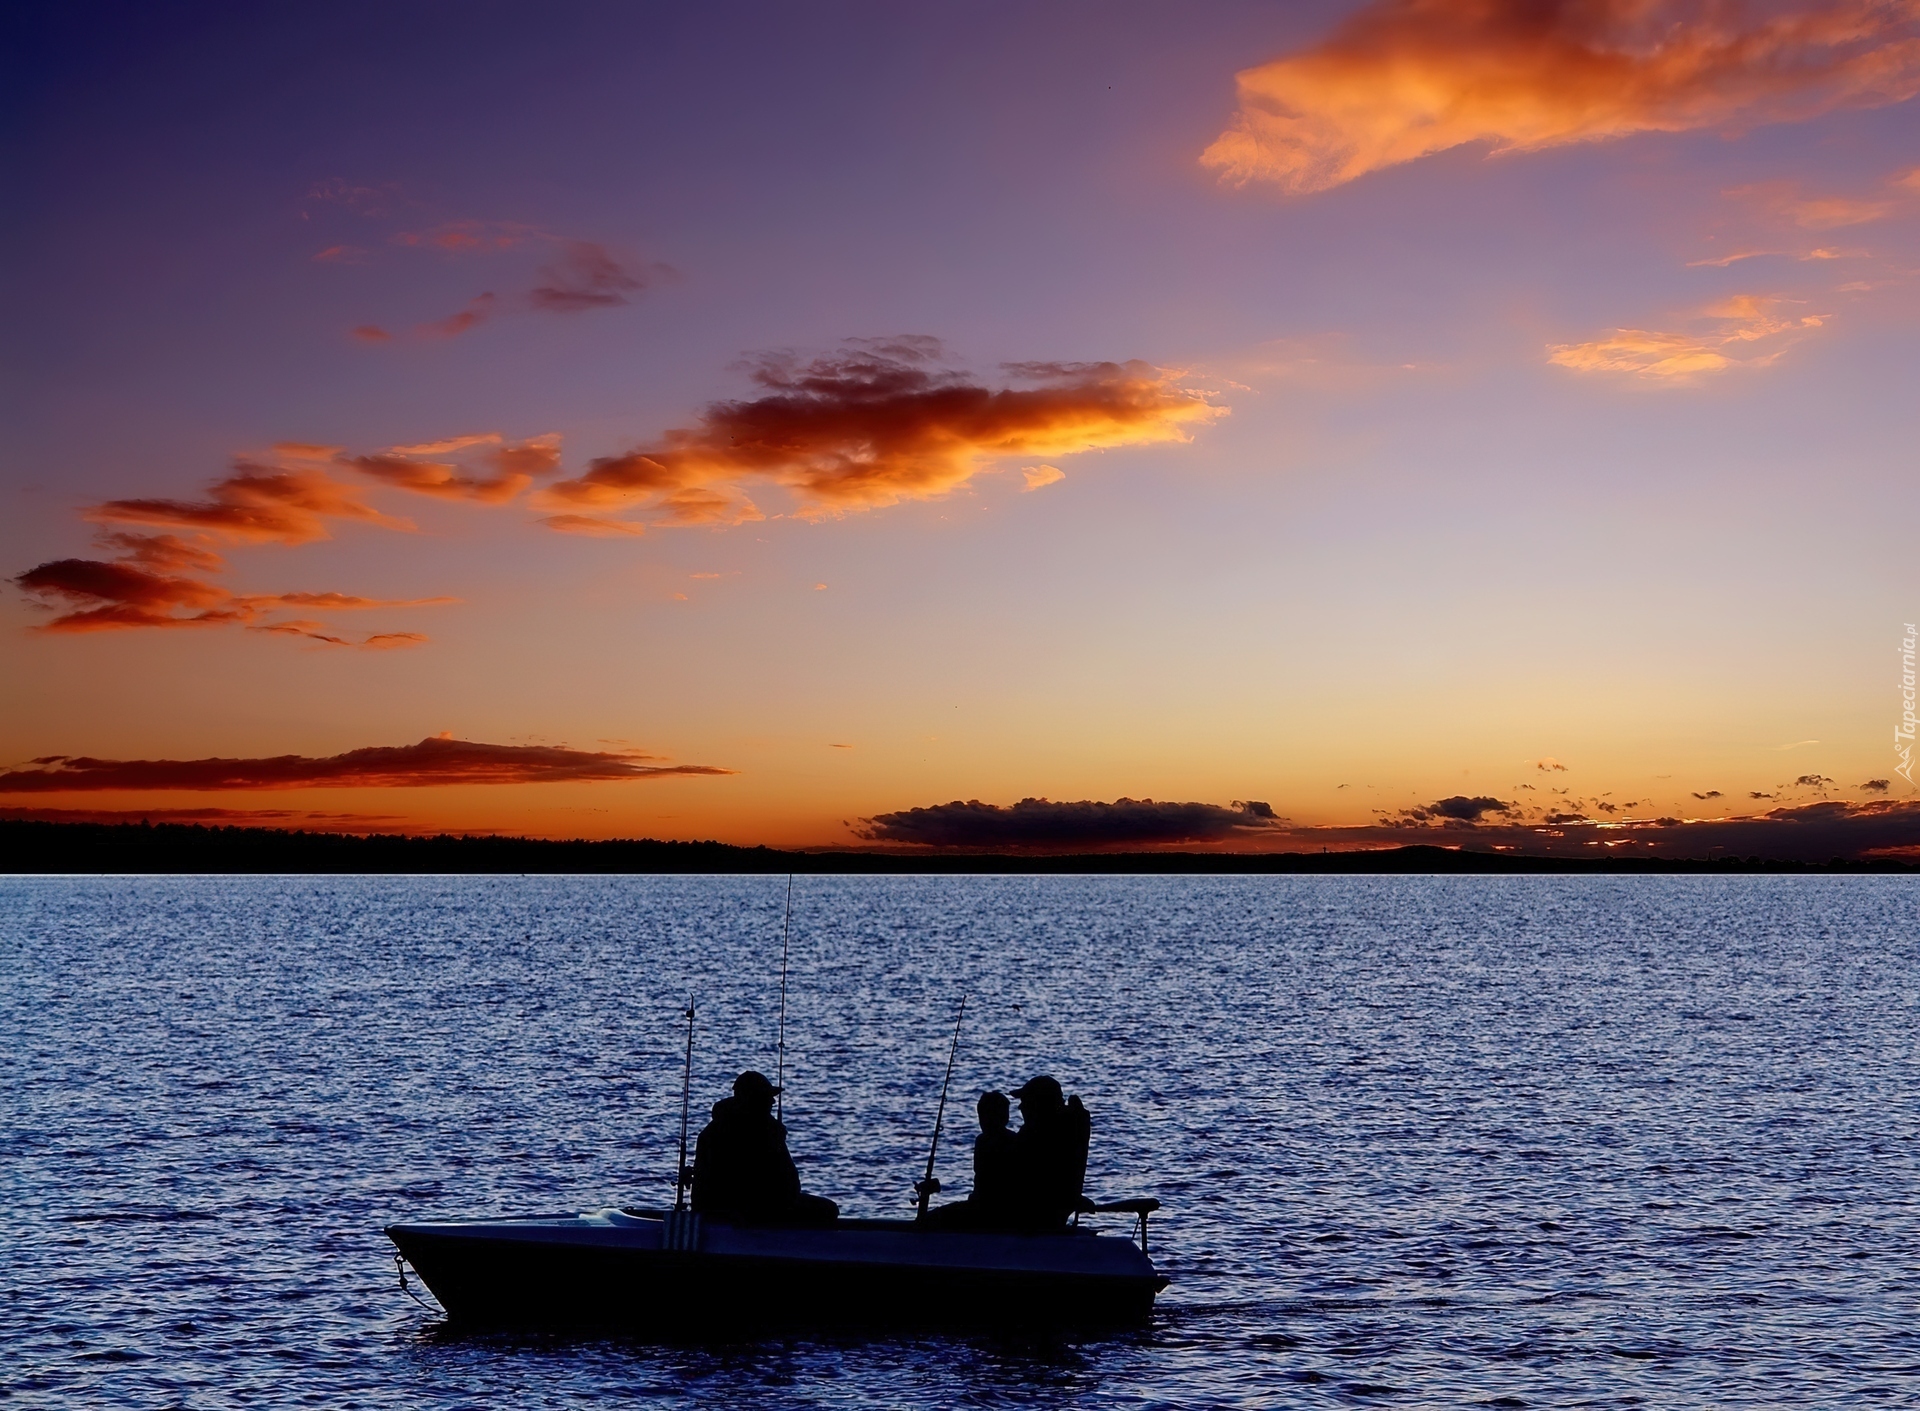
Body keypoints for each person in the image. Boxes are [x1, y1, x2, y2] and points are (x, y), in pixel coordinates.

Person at [689, 1070, 838, 1225]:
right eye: (767, 1097)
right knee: (828, 1210)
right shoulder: (761, 1132)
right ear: (753, 1099)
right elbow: (782, 1183)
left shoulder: (714, 1130)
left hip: (732, 1208)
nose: (772, 1102)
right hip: (750, 1209)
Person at [919, 1089, 1021, 1229]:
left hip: (983, 1210)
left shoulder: (984, 1141)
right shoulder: (1014, 1139)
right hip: (996, 1209)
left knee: (931, 1218)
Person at [1008, 1075, 1091, 1230]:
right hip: (1051, 1213)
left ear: (1039, 1104)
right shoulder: (1067, 1130)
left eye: (1025, 1101)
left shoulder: (1033, 1135)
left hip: (1031, 1216)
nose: (1021, 1107)